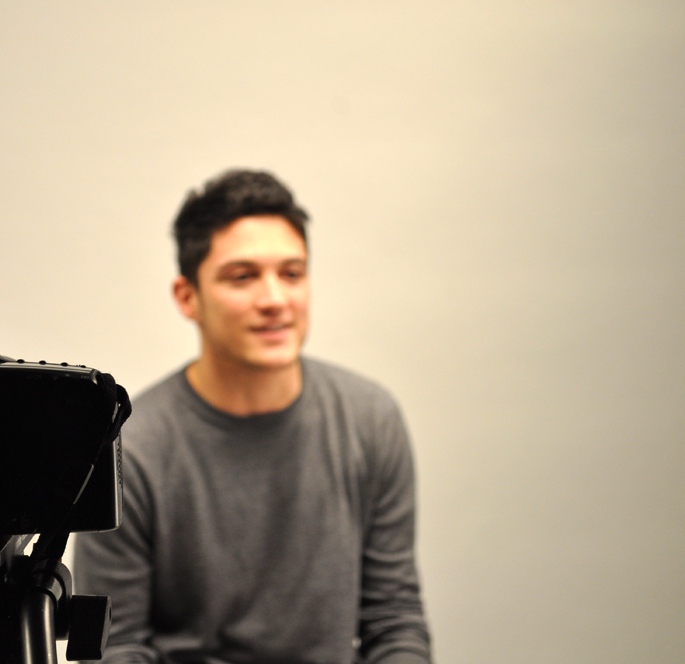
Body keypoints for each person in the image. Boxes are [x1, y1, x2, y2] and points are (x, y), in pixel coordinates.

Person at [74, 169, 432, 663]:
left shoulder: (370, 419)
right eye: (242, 277)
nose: (275, 301)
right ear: (187, 297)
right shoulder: (128, 450)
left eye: (292, 274)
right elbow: (117, 648)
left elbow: (394, 621)